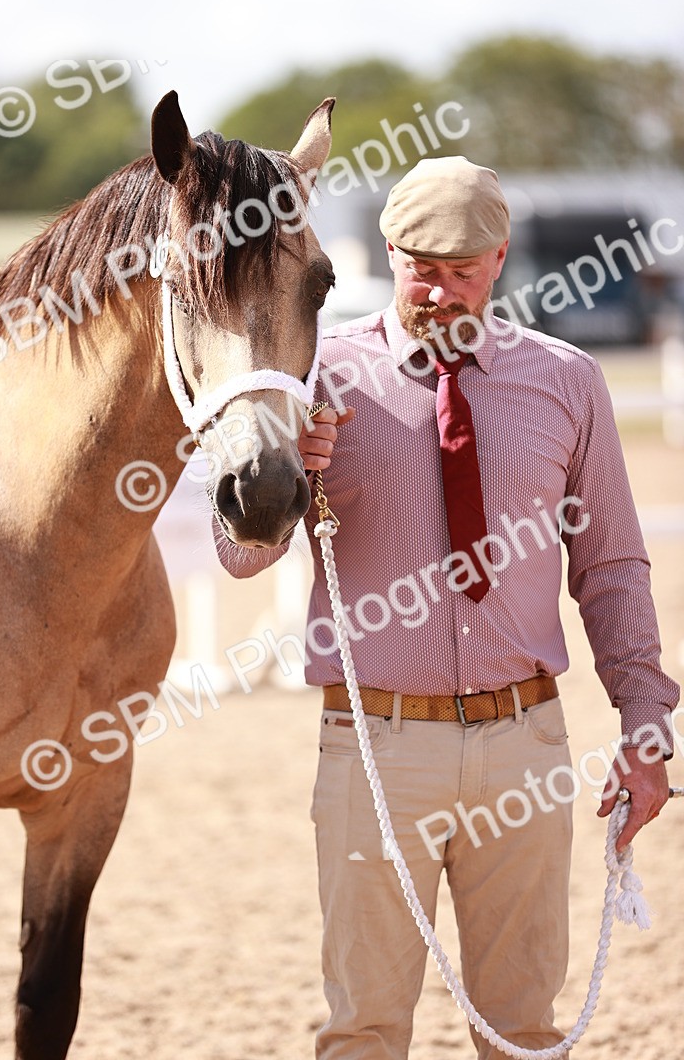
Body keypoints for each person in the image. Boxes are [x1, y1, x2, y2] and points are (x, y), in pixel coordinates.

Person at [213, 155, 680, 1059]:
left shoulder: (568, 382)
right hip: (374, 748)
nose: (439, 291)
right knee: (363, 1029)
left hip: (528, 746)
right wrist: (293, 471)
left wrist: (647, 725)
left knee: (523, 1030)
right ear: (389, 251)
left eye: (463, 271)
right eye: (421, 268)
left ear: (500, 258)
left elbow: (612, 567)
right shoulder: (315, 375)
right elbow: (238, 556)